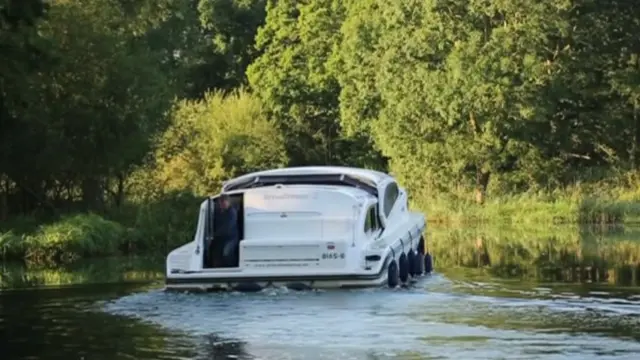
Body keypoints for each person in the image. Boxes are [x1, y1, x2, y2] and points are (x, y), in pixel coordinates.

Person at [213, 193, 239, 267]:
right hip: (222, 238)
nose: (222, 205)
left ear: (228, 202)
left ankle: (232, 268)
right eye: (221, 203)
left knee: (227, 253)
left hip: (231, 237)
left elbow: (228, 227)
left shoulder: (232, 213)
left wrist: (215, 234)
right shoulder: (218, 212)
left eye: (224, 202)